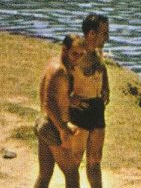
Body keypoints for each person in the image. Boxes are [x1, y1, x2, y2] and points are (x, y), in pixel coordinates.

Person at [36, 34, 86, 188]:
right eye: (74, 54)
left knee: (45, 175)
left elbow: (51, 95)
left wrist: (69, 100)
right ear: (65, 50)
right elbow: (48, 103)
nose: (78, 58)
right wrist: (63, 129)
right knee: (72, 173)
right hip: (52, 127)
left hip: (44, 124)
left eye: (81, 54)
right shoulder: (60, 70)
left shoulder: (54, 63)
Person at [73, 14, 111, 188]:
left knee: (95, 160)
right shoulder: (76, 54)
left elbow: (102, 67)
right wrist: (69, 99)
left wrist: (106, 87)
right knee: (74, 161)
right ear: (91, 34)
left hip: (97, 108)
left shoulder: (98, 53)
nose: (107, 38)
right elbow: (60, 77)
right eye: (104, 33)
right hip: (80, 110)